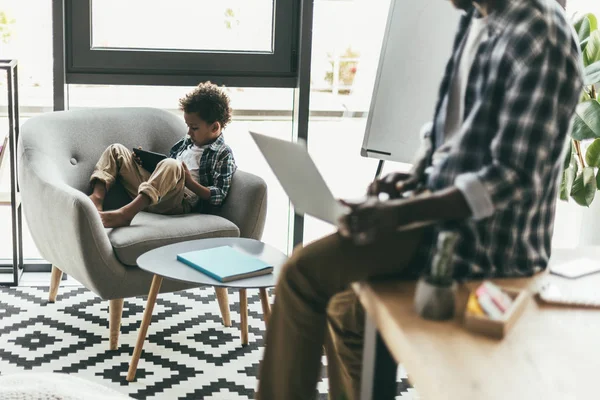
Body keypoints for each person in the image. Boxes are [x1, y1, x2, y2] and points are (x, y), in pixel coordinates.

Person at [257, 0, 583, 399]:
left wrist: (398, 214)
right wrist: (411, 177)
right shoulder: (477, 19)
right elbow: (448, 131)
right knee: (345, 306)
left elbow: (512, 175)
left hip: (484, 241)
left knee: (300, 274)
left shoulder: (539, 33)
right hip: (438, 217)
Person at [88, 82, 237, 228]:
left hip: (179, 202)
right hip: (154, 194)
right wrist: (145, 163)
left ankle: (127, 214)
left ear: (215, 127)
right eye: (188, 126)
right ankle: (97, 199)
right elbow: (166, 172)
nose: (189, 132)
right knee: (116, 150)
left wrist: (190, 182)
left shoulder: (223, 153)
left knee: (173, 164)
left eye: (194, 127)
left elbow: (219, 195)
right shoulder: (186, 142)